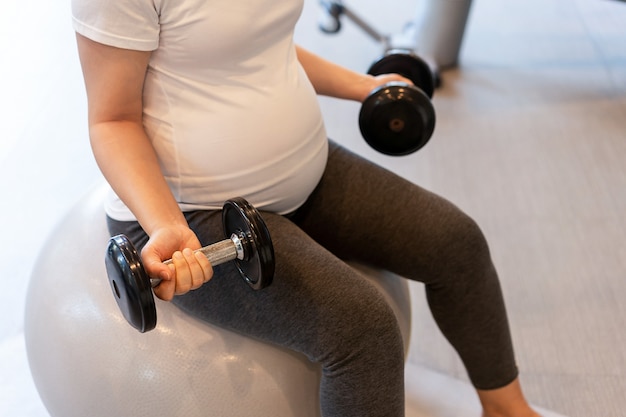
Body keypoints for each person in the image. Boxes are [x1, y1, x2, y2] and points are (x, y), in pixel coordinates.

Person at [72, 0, 540, 416]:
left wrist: (364, 85)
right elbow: (112, 121)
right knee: (364, 328)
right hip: (190, 214)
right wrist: (165, 224)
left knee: (456, 242)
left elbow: (264, 46)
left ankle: (507, 409)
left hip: (306, 173)